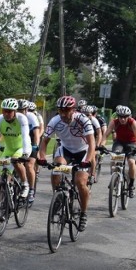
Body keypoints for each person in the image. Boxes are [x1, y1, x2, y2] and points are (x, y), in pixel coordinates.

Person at [37, 96, 95, 231]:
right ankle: (57, 197)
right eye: (60, 110)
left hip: (82, 151)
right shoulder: (55, 120)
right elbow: (44, 141)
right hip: (66, 150)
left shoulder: (83, 120)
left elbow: (92, 143)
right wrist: (42, 158)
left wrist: (87, 161)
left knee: (80, 182)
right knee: (56, 168)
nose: (63, 113)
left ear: (73, 110)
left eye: (66, 110)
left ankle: (83, 213)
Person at [0, 98, 32, 200]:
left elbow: (25, 137)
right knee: (4, 174)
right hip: (8, 149)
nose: (6, 113)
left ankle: (25, 184)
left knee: (16, 162)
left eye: (9, 111)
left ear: (15, 111)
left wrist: (26, 154)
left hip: (21, 148)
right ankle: (5, 205)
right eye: (4, 111)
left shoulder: (22, 118)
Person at [103, 105, 136, 197]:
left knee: (132, 162)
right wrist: (102, 145)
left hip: (131, 143)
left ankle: (131, 185)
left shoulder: (132, 122)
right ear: (118, 116)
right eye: (120, 116)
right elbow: (106, 134)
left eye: (125, 117)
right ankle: (114, 177)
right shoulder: (114, 122)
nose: (122, 119)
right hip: (119, 142)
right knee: (114, 158)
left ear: (128, 116)